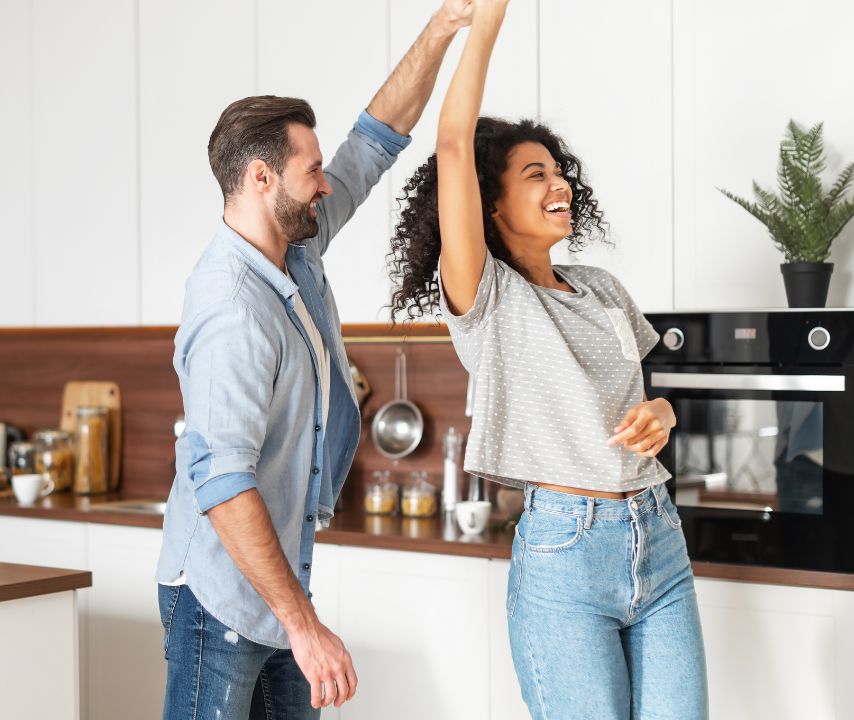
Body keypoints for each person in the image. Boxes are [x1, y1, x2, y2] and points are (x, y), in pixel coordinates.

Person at [388, 1, 709, 717]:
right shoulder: (487, 296)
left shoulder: (602, 289)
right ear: (491, 204)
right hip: (566, 556)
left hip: (658, 539)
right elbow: (450, 146)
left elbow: (644, 400)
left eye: (559, 171)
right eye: (536, 174)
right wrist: (489, 21)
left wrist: (661, 413)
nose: (560, 182)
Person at [154, 2, 472, 717]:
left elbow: (376, 138)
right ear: (262, 178)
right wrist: (306, 628)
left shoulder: (295, 247)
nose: (327, 183)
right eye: (312, 170)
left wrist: (446, 25)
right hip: (221, 599)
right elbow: (224, 482)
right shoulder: (233, 306)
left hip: (276, 590)